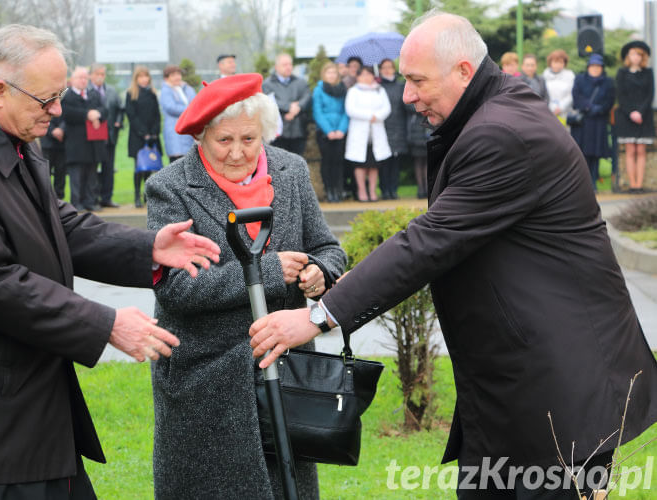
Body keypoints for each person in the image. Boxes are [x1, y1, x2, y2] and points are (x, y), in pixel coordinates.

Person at [248, 11, 657, 500]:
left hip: (557, 394)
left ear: (464, 70)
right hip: (522, 386)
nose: (407, 95)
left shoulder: (501, 132)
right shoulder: (496, 109)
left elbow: (429, 241)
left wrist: (319, 317)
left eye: (418, 81)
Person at [0, 24, 220, 500]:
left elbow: (60, 224)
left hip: (26, 403)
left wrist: (147, 248)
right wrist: (106, 323)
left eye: (60, 97)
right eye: (46, 99)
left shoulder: (13, 139)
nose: (56, 112)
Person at [145, 73, 346, 500]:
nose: (238, 152)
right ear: (201, 136)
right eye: (224, 140)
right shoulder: (170, 186)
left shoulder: (290, 170)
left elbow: (327, 247)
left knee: (286, 486)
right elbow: (176, 287)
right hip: (206, 379)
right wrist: (269, 271)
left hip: (286, 368)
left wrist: (319, 273)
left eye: (249, 139)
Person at [61, 66, 108, 211]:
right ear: (72, 79)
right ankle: (77, 202)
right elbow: (67, 114)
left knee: (91, 174)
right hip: (76, 143)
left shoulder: (93, 94)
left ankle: (90, 201)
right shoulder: (67, 96)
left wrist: (97, 114)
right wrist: (87, 114)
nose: (83, 81)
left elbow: (104, 110)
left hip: (93, 143)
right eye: (79, 78)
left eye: (84, 78)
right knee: (77, 175)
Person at [345, 65, 391, 202]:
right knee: (360, 164)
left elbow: (387, 108)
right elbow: (350, 109)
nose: (366, 77)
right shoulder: (353, 91)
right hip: (360, 132)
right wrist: (368, 116)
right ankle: (362, 190)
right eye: (363, 74)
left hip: (376, 131)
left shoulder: (380, 90)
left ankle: (372, 190)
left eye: (369, 74)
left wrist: (377, 116)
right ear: (358, 77)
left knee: (374, 164)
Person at [570, 53, 615, 192]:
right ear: (588, 67)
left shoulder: (608, 82)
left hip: (599, 121)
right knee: (582, 153)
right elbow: (576, 96)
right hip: (583, 123)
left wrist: (599, 109)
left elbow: (610, 99)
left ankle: (594, 181)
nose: (595, 69)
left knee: (596, 153)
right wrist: (589, 107)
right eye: (593, 66)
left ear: (602, 68)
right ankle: (583, 183)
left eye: (598, 66)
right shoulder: (580, 79)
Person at [614, 40, 654, 194]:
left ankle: (639, 184)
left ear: (643, 57)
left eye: (639, 54)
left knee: (641, 150)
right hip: (626, 116)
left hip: (644, 116)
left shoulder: (648, 73)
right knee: (630, 150)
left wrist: (640, 112)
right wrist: (631, 112)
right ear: (628, 56)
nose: (635, 57)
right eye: (632, 54)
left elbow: (650, 94)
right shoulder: (621, 73)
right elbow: (621, 95)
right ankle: (632, 185)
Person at [124, 65, 161, 208]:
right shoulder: (131, 94)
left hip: (152, 136)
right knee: (138, 167)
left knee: (149, 167)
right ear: (136, 78)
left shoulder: (152, 93)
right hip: (137, 136)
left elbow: (157, 115)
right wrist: (143, 132)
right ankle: (136, 195)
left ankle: (146, 195)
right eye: (141, 77)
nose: (144, 79)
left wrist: (154, 132)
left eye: (146, 76)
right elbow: (131, 115)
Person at [312, 61, 348, 202]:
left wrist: (341, 129)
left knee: (338, 162)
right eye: (329, 72)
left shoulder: (342, 89)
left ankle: (338, 190)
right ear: (324, 74)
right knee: (327, 161)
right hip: (324, 133)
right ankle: (329, 190)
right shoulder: (319, 90)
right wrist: (328, 131)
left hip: (339, 131)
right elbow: (317, 112)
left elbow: (346, 111)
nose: (332, 75)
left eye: (334, 72)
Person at [263, 53, 311, 156]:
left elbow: (307, 97)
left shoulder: (300, 82)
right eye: (284, 64)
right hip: (279, 133)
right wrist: (289, 106)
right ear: (276, 67)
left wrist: (298, 107)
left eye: (290, 64)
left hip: (298, 130)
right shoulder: (268, 84)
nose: (288, 67)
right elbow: (269, 101)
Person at [89, 63, 123, 208]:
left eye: (102, 74)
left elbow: (121, 109)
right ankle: (93, 197)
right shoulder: (87, 91)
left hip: (110, 136)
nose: (100, 77)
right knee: (93, 168)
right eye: (97, 74)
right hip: (93, 137)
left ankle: (107, 197)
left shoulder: (112, 91)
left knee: (109, 168)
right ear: (91, 75)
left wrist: (118, 122)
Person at [379, 58, 409, 200]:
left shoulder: (400, 86)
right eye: (384, 67)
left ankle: (393, 190)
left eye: (389, 67)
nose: (387, 70)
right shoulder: (377, 87)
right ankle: (384, 190)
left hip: (398, 127)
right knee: (384, 162)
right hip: (382, 128)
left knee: (395, 162)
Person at [160, 64, 196, 162]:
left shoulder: (187, 89)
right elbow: (170, 107)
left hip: (189, 129)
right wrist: (189, 110)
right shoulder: (166, 91)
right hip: (174, 131)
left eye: (178, 74)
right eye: (173, 75)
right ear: (167, 78)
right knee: (176, 162)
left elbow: (196, 102)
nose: (177, 77)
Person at [542, 49, 575, 124]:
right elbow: (543, 94)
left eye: (561, 62)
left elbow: (571, 94)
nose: (558, 65)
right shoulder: (545, 75)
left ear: (564, 63)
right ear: (550, 63)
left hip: (565, 113)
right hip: (548, 112)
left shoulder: (570, 75)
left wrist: (561, 107)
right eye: (555, 62)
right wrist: (551, 107)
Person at [40, 114, 67, 199]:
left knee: (61, 173)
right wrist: (52, 131)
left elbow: (68, 117)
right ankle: (45, 198)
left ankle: (59, 198)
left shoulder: (65, 102)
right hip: (47, 143)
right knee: (44, 173)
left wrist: (62, 129)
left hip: (62, 144)